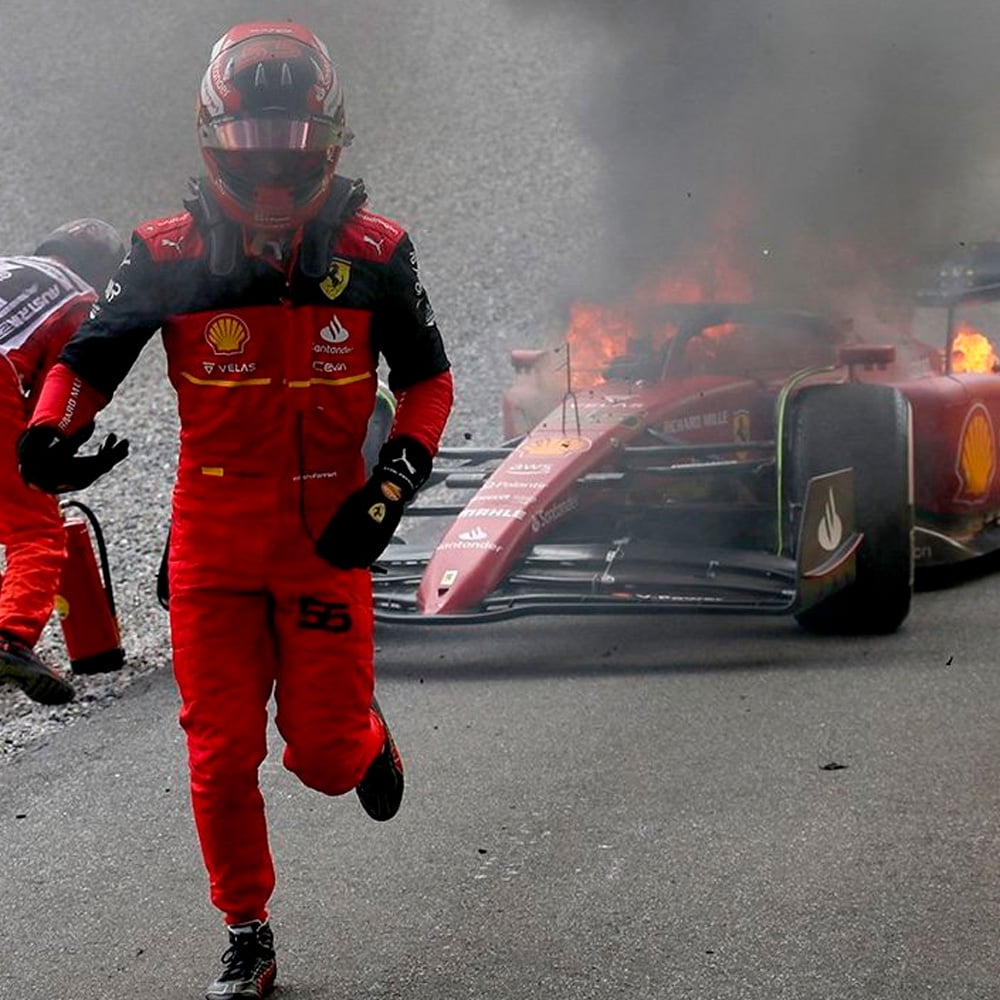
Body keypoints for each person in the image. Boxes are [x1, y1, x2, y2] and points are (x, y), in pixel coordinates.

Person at [18, 22, 453, 1000]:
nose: (271, 162)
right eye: (252, 139)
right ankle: (247, 933)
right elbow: (91, 358)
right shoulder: (165, 252)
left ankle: (364, 737)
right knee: (219, 753)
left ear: (328, 138)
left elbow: (427, 384)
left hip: (327, 537)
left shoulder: (375, 252)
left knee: (325, 757)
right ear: (215, 138)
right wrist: (49, 430)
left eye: (290, 140)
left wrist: (390, 493)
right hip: (212, 535)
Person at [0, 219, 127, 706]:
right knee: (35, 530)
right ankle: (12, 638)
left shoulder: (13, 266)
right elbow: (62, 388)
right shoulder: (78, 298)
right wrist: (58, 452)